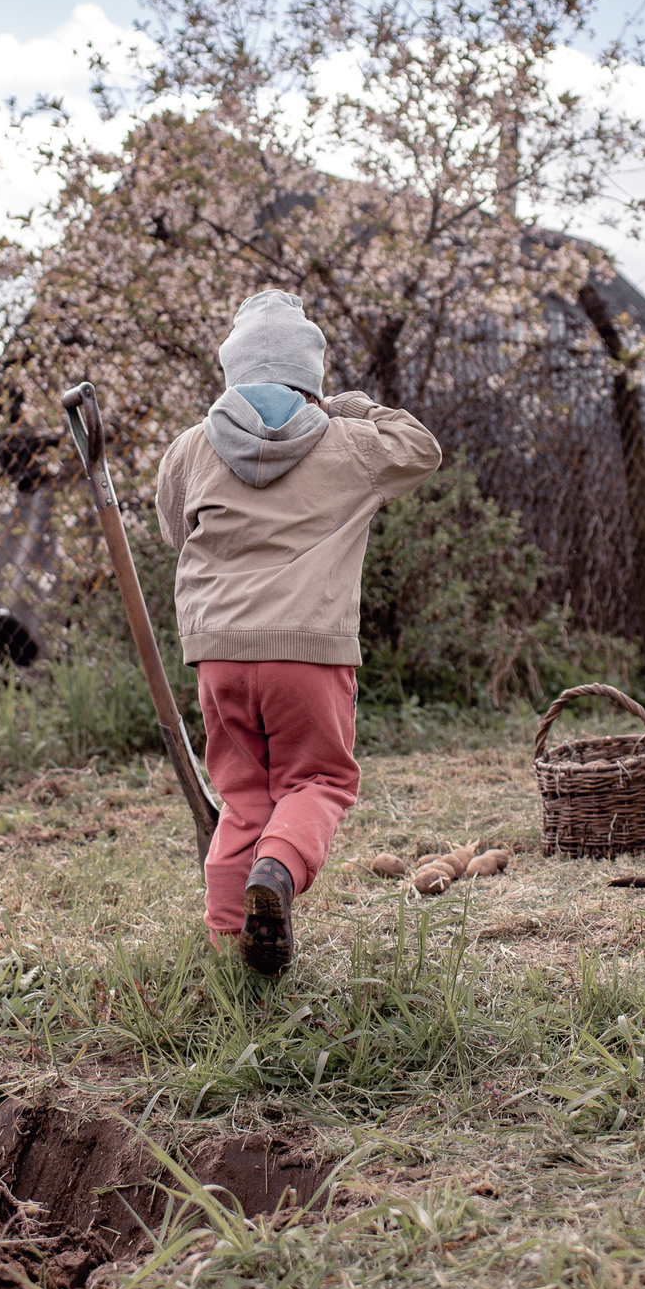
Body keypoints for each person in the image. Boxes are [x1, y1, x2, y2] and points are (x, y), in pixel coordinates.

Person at [156, 291, 441, 975]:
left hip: (220, 654)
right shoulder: (348, 443)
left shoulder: (191, 448)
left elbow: (173, 530)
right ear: (309, 374)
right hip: (308, 653)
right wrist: (348, 406)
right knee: (319, 779)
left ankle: (230, 950)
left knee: (243, 799)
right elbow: (422, 448)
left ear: (232, 371)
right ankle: (278, 871)